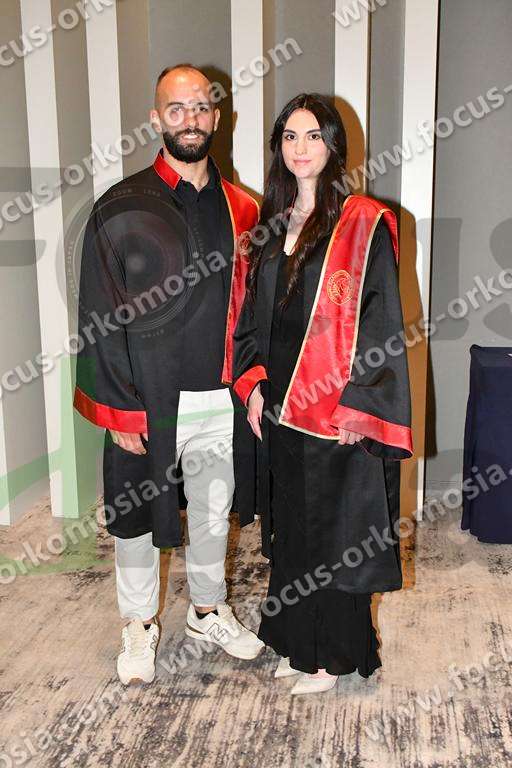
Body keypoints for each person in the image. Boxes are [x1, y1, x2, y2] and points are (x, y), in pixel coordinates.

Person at [73, 65, 264, 685]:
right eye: (176, 109)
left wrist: (254, 383)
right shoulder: (120, 206)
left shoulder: (244, 209)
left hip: (219, 396)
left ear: (217, 116)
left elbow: (256, 311)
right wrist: (119, 409)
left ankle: (207, 610)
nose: (190, 120)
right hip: (147, 400)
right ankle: (138, 623)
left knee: (213, 511)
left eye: (201, 107)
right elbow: (99, 313)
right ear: (157, 118)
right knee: (135, 517)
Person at [233, 94, 413, 695]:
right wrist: (253, 385)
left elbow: (382, 322)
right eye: (289, 136)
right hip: (281, 406)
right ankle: (296, 642)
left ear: (334, 145)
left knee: (336, 533)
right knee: (291, 529)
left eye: (313, 135)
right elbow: (250, 322)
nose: (301, 148)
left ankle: (333, 656)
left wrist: (363, 405)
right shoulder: (269, 230)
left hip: (335, 408)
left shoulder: (363, 223)